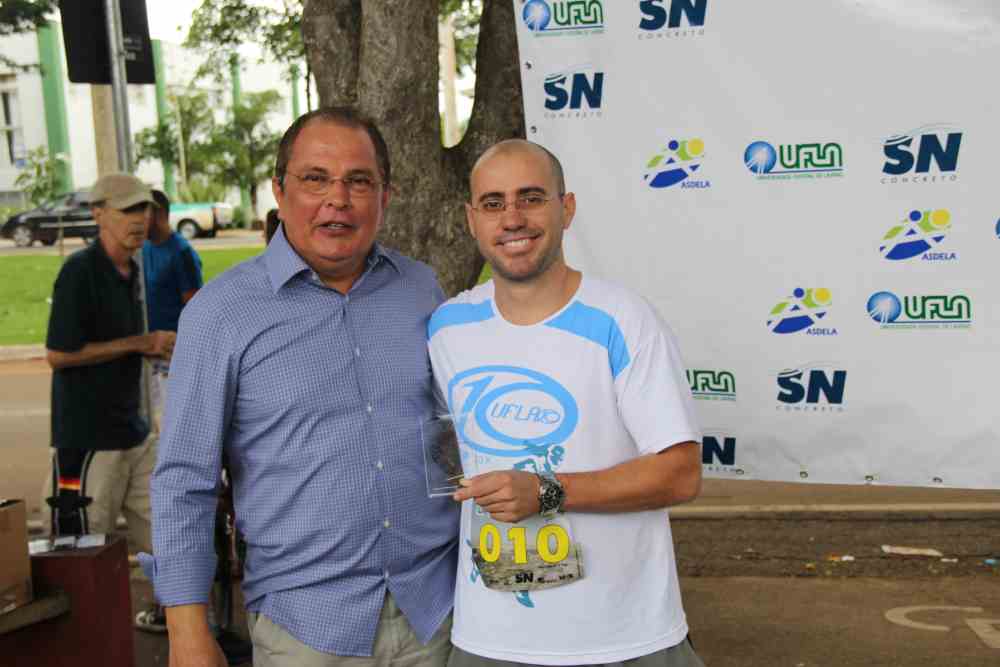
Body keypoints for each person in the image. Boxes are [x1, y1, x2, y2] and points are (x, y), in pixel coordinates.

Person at [144, 107, 459, 667]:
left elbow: (450, 435)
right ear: (279, 190)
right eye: (316, 179)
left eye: (359, 181)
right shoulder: (220, 314)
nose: (338, 199)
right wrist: (187, 630)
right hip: (306, 629)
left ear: (385, 196)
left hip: (437, 611)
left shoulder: (420, 289)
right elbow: (184, 481)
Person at [427, 139, 706, 667]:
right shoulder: (447, 328)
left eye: (531, 198)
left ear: (567, 208)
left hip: (625, 638)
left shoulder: (623, 320)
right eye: (493, 203)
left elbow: (681, 473)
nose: (512, 218)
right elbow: (443, 453)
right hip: (490, 638)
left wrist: (547, 492)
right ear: (471, 220)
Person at [42, 172, 175, 559]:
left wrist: (152, 348)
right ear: (98, 213)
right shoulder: (79, 271)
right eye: (128, 210)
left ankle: (179, 597)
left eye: (145, 209)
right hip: (88, 441)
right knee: (79, 555)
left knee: (173, 540)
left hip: (133, 433)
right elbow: (58, 354)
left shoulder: (133, 269)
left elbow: (124, 344)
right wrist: (139, 343)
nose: (141, 219)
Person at [132, 189, 203, 634]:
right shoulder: (141, 252)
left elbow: (195, 305)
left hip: (174, 362)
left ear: (158, 212)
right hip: (145, 362)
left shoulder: (180, 252)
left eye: (144, 211)